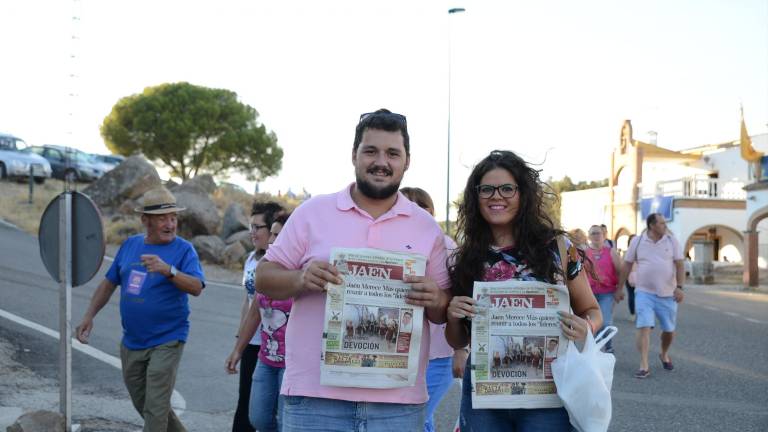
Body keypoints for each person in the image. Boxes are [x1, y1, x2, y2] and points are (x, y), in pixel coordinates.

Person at [254, 109, 451, 431]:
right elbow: (264, 277)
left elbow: (444, 312)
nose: (381, 161)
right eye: (370, 151)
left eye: (392, 153)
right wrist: (301, 278)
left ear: (407, 161)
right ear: (354, 155)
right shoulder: (312, 212)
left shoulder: (426, 227)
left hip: (397, 404)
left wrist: (437, 298)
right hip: (314, 400)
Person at [444, 150, 602, 432]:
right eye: (487, 189)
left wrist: (585, 327)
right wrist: (454, 315)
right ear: (475, 196)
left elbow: (592, 311)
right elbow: (458, 339)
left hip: (549, 390)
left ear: (523, 194)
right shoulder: (468, 256)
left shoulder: (558, 249)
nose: (496, 196)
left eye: (507, 188)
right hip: (485, 392)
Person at [75, 186, 205, 432]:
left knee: (155, 410)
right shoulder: (131, 246)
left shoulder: (184, 250)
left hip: (168, 339)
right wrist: (89, 316)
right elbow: (109, 283)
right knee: (146, 404)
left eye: (174, 217)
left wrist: (169, 271)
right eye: (163, 218)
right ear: (146, 220)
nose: (170, 224)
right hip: (132, 342)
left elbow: (197, 286)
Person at [400, 185, 466, 432]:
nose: (416, 210)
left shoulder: (445, 245)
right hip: (404, 354)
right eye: (408, 204)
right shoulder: (388, 246)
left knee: (416, 418)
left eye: (422, 205)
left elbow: (463, 297)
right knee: (416, 419)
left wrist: (461, 349)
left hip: (439, 354)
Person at [226, 212, 293, 432]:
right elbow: (254, 312)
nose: (272, 240)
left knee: (286, 423)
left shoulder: (301, 271)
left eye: (278, 235)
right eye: (271, 234)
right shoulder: (264, 266)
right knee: (258, 418)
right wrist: (238, 350)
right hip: (266, 358)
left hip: (291, 364)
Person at [617, 213, 685, 379]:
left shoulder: (671, 240)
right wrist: (619, 288)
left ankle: (664, 353)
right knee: (644, 326)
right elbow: (627, 264)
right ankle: (644, 364)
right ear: (652, 225)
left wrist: (680, 287)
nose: (665, 226)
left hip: (668, 293)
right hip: (644, 292)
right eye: (662, 223)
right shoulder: (637, 241)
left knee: (669, 330)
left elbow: (680, 264)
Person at [585, 225, 622, 353]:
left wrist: (620, 289)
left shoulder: (611, 252)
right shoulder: (584, 253)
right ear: (589, 236)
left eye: (598, 233)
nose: (596, 236)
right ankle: (596, 348)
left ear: (604, 235)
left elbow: (620, 271)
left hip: (607, 293)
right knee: (592, 323)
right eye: (593, 233)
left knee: (605, 322)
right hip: (589, 294)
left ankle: (607, 345)